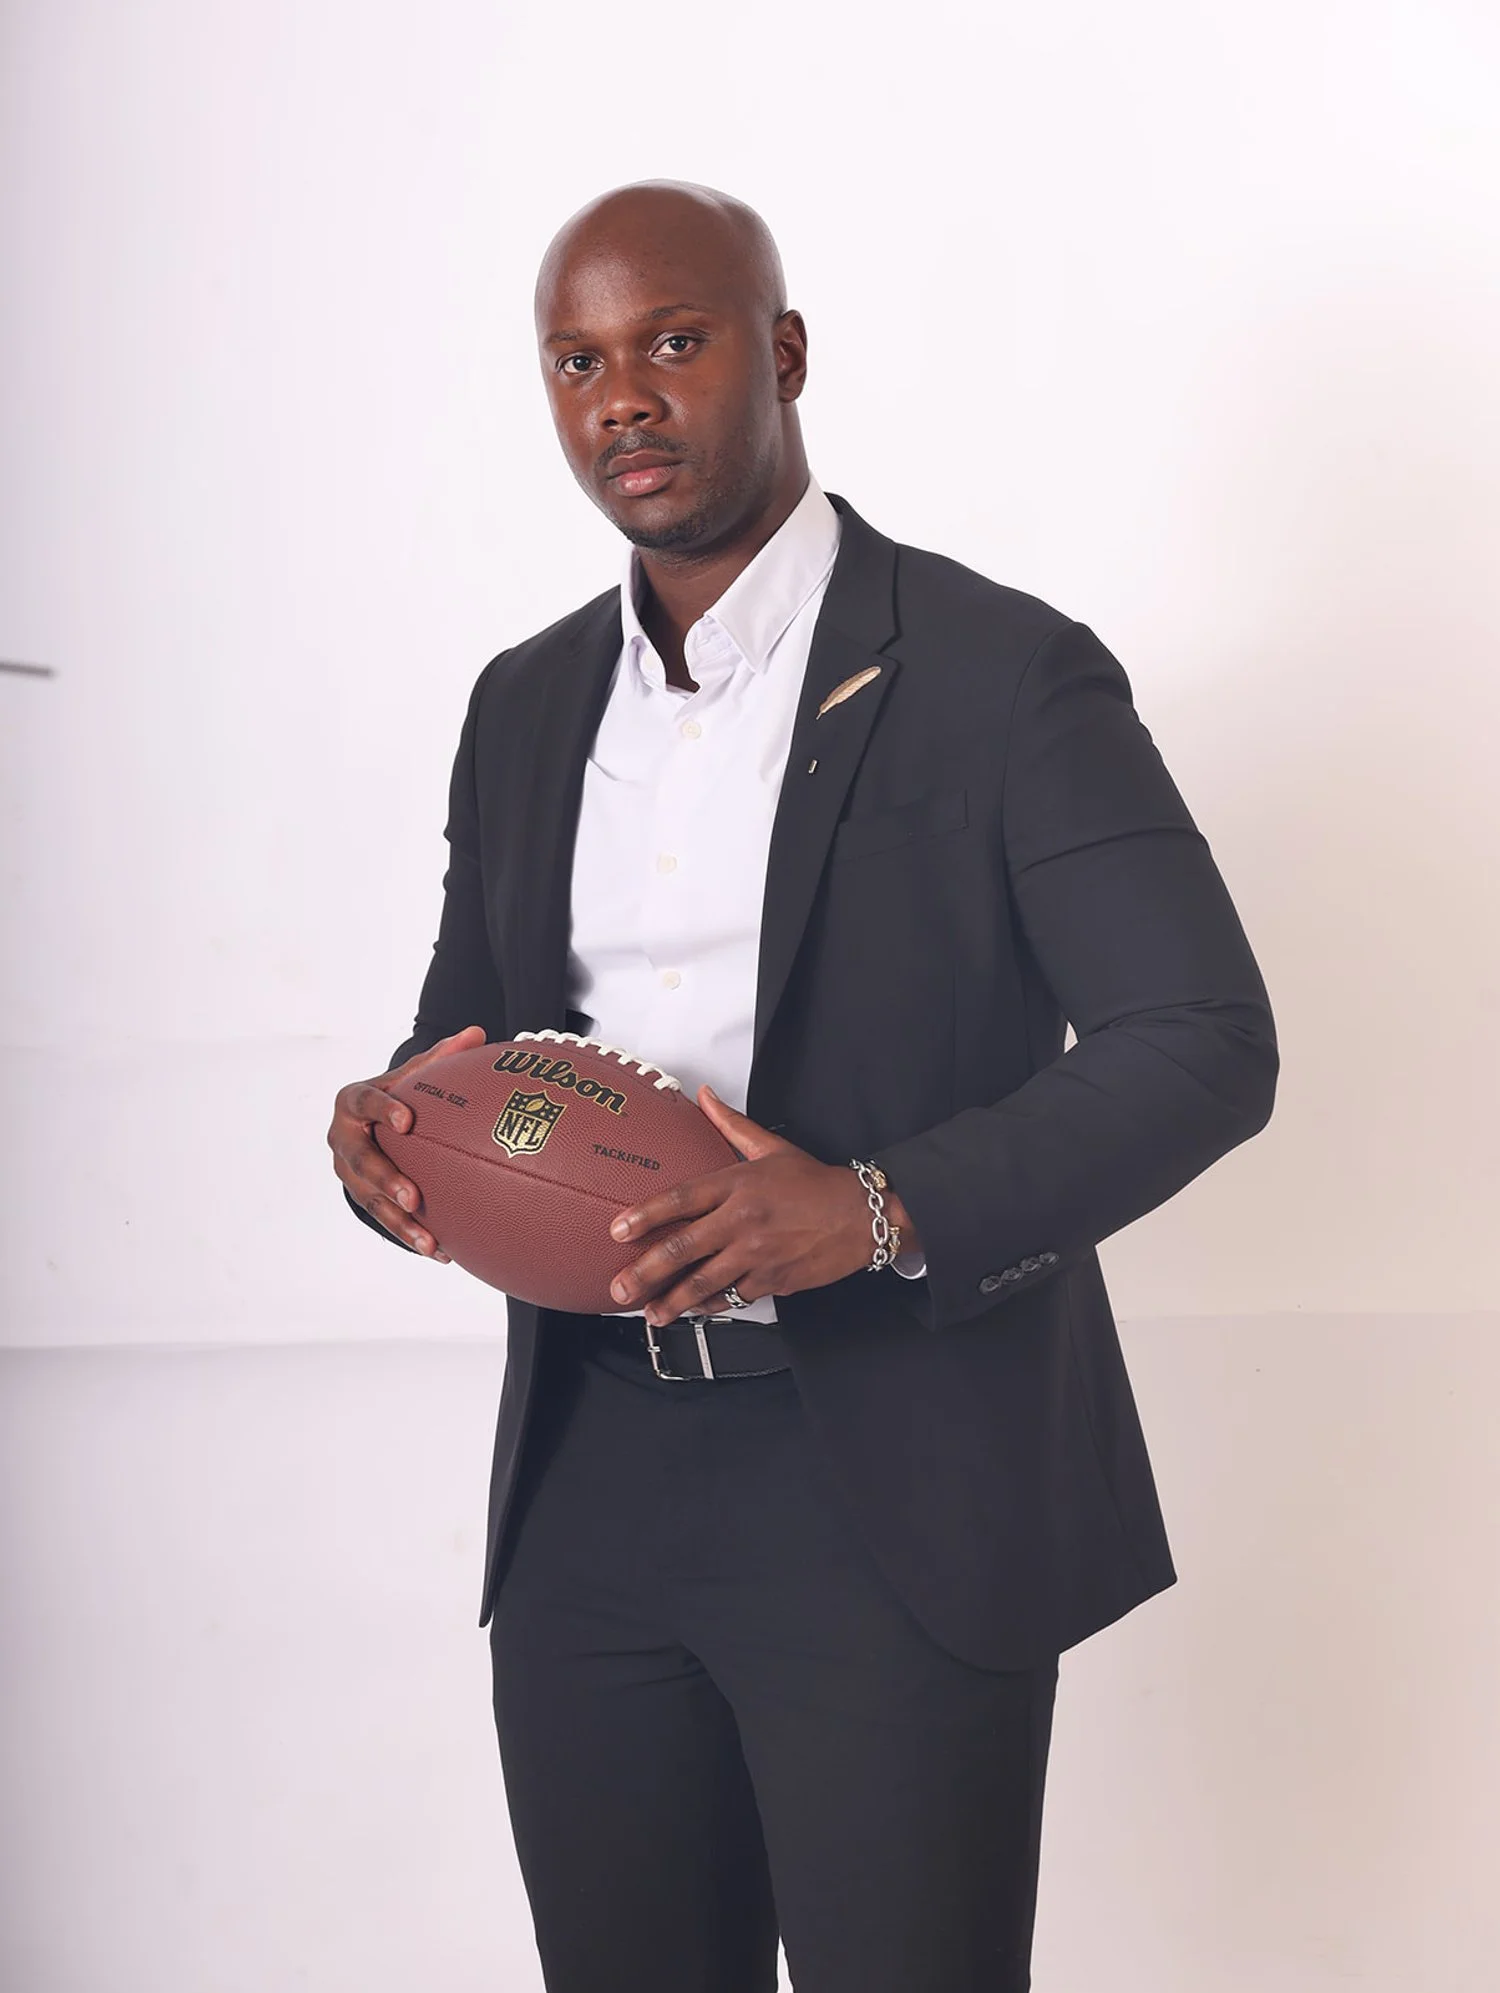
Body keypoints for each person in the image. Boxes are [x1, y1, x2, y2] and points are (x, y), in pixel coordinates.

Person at [327, 180, 1277, 1993]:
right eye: (577, 361)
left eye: (672, 342)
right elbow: (464, 1037)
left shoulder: (1005, 675)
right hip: (590, 1479)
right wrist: (386, 1134)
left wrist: (875, 1207)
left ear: (781, 354)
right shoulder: (523, 705)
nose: (623, 397)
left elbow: (1205, 1040)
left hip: (893, 1480)